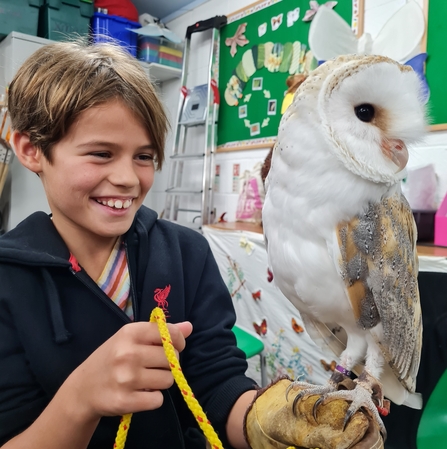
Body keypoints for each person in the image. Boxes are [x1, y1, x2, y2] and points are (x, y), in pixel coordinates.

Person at [0, 40, 258, 449]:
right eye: (101, 154)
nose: (128, 178)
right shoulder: (8, 280)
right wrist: (81, 398)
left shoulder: (187, 253)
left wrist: (273, 422)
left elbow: (218, 384)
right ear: (32, 150)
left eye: (144, 156)